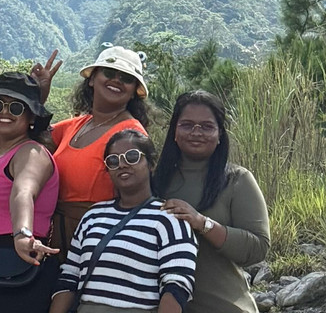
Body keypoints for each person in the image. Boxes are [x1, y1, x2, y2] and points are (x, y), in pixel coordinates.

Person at [50, 130, 197, 313]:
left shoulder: (170, 218)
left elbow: (177, 285)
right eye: (113, 161)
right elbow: (70, 276)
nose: (122, 164)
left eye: (132, 157)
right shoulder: (93, 216)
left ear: (151, 163)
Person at [153, 90, 270, 313]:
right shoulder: (155, 182)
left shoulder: (237, 180)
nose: (196, 132)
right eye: (187, 125)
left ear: (219, 136)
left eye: (207, 126)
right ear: (174, 132)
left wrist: (203, 223)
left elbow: (258, 248)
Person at [0, 72, 60, 312]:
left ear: (30, 117)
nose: (5, 112)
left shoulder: (31, 153)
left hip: (18, 265)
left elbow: (23, 192)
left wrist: (22, 233)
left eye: (16, 108)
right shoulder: (2, 159)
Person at [39, 45, 150, 254]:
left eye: (126, 78)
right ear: (92, 79)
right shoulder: (75, 126)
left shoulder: (131, 133)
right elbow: (29, 136)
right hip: (57, 237)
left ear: (134, 92)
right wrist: (39, 97)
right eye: (109, 72)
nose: (116, 80)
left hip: (100, 241)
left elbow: (137, 196)